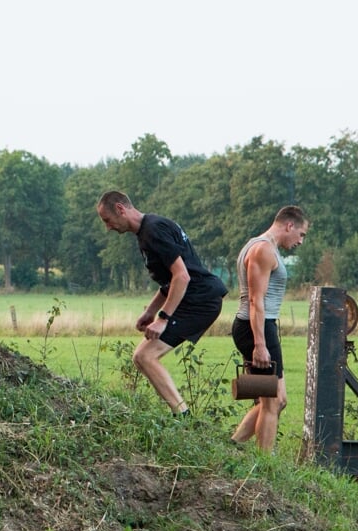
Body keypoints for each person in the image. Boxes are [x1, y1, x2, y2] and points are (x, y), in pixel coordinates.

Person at [95, 191, 228, 415]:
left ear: (120, 209)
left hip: (200, 300)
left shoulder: (153, 231)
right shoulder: (150, 229)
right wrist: (150, 311)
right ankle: (181, 414)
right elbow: (169, 282)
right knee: (142, 357)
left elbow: (182, 277)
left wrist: (163, 319)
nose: (108, 227)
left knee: (144, 356)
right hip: (196, 297)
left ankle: (183, 418)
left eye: (107, 220)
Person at [229, 206, 309, 451]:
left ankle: (232, 446)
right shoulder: (263, 249)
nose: (301, 241)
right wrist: (260, 344)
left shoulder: (262, 246)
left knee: (277, 400)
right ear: (289, 226)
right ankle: (265, 463)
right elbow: (256, 300)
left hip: (260, 327)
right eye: (302, 234)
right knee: (272, 402)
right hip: (256, 329)